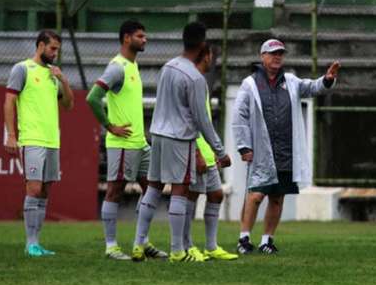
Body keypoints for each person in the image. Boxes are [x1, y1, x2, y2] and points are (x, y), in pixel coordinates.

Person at [131, 21, 231, 263]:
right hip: (179, 138)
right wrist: (220, 151)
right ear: (202, 45)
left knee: (153, 188)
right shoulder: (195, 77)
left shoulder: (168, 67)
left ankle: (138, 243)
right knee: (180, 189)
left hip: (157, 134)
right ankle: (177, 251)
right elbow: (202, 120)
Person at [233, 39, 340, 255]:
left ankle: (267, 240)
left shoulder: (290, 81)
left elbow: (312, 87)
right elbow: (239, 116)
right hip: (262, 150)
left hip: (285, 149)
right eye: (273, 53)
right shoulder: (250, 83)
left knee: (277, 196)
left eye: (280, 53)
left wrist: (327, 80)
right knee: (255, 195)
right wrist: (244, 146)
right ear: (262, 56)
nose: (277, 57)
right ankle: (244, 238)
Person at [85, 19, 167, 260]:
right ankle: (111, 247)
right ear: (126, 38)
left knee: (154, 186)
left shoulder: (133, 65)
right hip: (121, 144)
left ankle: (142, 241)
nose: (145, 39)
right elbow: (93, 97)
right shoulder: (117, 67)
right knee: (115, 191)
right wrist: (110, 126)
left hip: (140, 142)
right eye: (140, 36)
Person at [4, 30, 75, 257]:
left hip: (52, 140)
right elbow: (9, 102)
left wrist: (63, 79)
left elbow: (69, 105)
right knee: (33, 188)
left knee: (44, 191)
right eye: (52, 48)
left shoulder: (53, 75)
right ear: (41, 45)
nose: (55, 53)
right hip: (31, 138)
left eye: (58, 50)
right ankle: (30, 243)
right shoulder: (22, 69)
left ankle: (37, 243)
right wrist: (11, 135)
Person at [181, 44, 238, 261]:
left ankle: (211, 246)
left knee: (216, 195)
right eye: (210, 56)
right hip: (194, 150)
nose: (212, 60)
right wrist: (196, 152)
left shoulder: (201, 82)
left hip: (206, 150)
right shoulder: (193, 81)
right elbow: (189, 120)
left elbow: (203, 121)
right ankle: (186, 245)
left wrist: (212, 149)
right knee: (191, 197)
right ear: (204, 57)